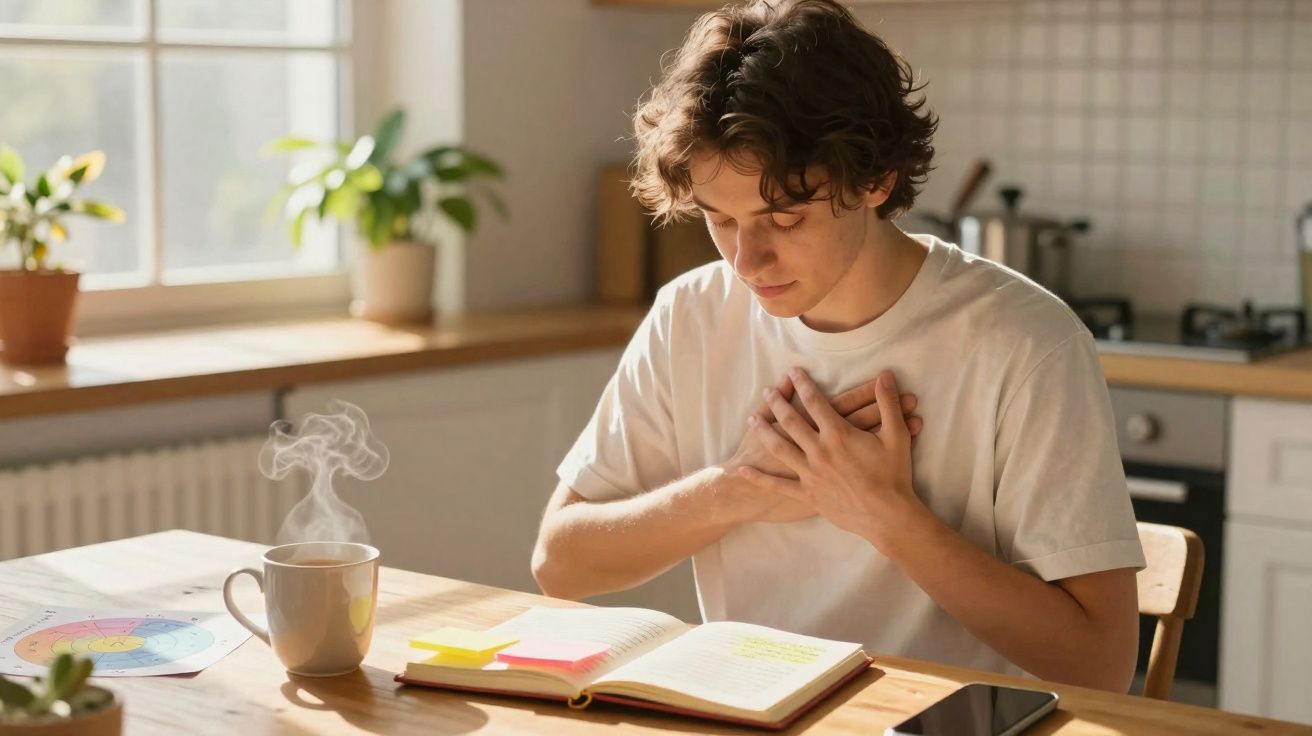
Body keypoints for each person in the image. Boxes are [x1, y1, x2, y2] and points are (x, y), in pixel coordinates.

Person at [532, 0, 1145, 692]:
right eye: (720, 219)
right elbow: (560, 563)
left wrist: (885, 515)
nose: (746, 261)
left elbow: (1100, 664)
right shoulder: (691, 315)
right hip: (752, 709)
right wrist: (737, 489)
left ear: (875, 179)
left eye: (783, 218)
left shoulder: (1025, 342)